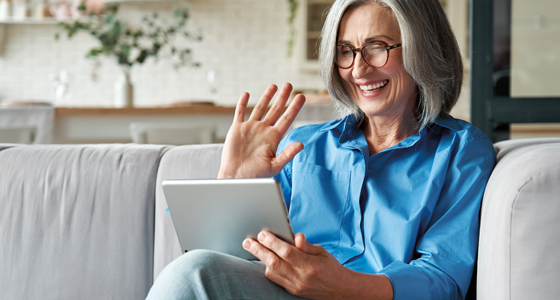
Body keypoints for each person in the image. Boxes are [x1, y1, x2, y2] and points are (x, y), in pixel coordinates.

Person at [146, 0, 496, 299]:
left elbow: (445, 279)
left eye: (377, 46)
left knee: (194, 271)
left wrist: (345, 286)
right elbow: (232, 261)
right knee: (195, 270)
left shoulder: (461, 150)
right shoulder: (305, 144)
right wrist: (231, 183)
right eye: (346, 51)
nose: (358, 69)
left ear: (423, 48)